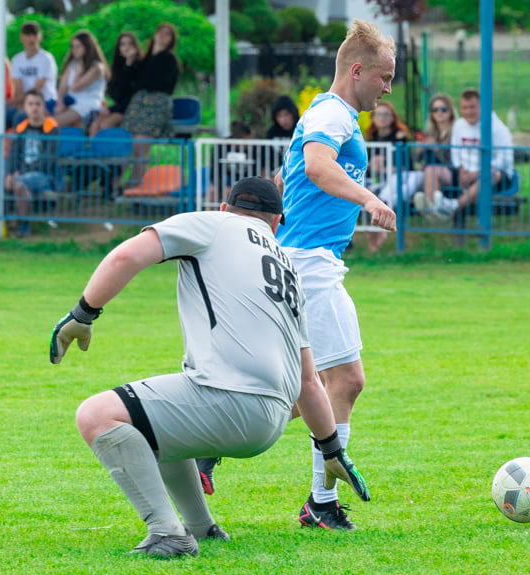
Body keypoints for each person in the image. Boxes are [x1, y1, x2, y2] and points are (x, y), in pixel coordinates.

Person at [49, 176, 370, 558]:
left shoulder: (214, 224)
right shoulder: (286, 267)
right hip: (270, 421)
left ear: (224, 208)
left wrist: (83, 314)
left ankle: (166, 533)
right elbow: (309, 381)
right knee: (161, 418)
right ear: (276, 222)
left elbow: (126, 256)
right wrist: (331, 449)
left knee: (96, 416)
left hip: (230, 399)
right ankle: (202, 528)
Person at [241, 19, 394, 530]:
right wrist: (370, 200)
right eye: (384, 77)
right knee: (344, 380)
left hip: (305, 259)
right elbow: (314, 168)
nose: (388, 87)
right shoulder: (334, 112)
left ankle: (210, 445)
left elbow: (290, 178)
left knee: (307, 388)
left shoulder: (327, 114)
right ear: (357, 70)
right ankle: (321, 503)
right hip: (310, 264)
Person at [418, 89, 514, 220]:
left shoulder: (497, 128)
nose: (468, 112)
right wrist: (461, 168)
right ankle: (433, 208)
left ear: (482, 106)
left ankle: (453, 206)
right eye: (464, 108)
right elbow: (456, 152)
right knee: (431, 170)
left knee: (491, 174)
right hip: (464, 172)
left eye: (472, 107)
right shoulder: (459, 125)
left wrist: (478, 172)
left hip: (492, 174)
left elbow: (505, 159)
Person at [122, 23, 179, 181]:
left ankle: (136, 183)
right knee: (129, 144)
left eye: (167, 34)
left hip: (155, 106)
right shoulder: (145, 60)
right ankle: (120, 182)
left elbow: (152, 83)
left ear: (171, 40)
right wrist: (130, 60)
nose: (162, 35)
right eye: (160, 31)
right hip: (138, 105)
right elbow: (130, 83)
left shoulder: (169, 60)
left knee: (141, 145)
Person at [364, 100, 418, 252]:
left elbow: (407, 165)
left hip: (397, 179)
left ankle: (380, 230)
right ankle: (371, 232)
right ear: (373, 117)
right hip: (376, 179)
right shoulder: (372, 137)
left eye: (386, 114)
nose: (382, 118)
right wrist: (372, 165)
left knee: (386, 195)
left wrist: (385, 167)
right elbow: (368, 165)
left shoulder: (400, 137)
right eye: (379, 114)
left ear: (393, 118)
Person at [5, 89, 59, 238]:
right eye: (30, 104)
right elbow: (13, 154)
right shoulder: (22, 127)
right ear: (25, 107)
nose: (34, 108)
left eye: (37, 104)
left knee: (20, 184)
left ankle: (24, 225)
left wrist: (20, 173)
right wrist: (10, 173)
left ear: (43, 107)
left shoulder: (51, 128)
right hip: (22, 173)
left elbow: (48, 158)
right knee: (6, 182)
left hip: (44, 175)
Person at [412, 93, 456, 218]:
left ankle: (433, 208)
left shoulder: (456, 131)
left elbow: (456, 159)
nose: (439, 113)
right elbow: (415, 159)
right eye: (435, 110)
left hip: (453, 172)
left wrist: (437, 149)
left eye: (444, 109)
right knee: (425, 171)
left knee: (431, 170)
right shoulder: (429, 132)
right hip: (429, 171)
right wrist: (418, 151)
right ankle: (431, 209)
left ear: (451, 111)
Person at [54, 30, 109, 130]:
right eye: (73, 46)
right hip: (71, 101)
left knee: (52, 124)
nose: (74, 50)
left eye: (78, 46)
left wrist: (79, 72)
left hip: (88, 104)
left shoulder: (97, 67)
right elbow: (62, 87)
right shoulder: (72, 64)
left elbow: (75, 87)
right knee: (42, 117)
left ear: (87, 47)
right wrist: (60, 102)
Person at [89, 32, 141, 137]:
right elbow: (117, 94)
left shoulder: (140, 67)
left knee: (105, 125)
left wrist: (130, 63)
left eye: (130, 44)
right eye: (122, 44)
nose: (126, 47)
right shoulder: (118, 68)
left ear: (135, 47)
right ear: (119, 49)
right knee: (94, 125)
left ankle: (110, 153)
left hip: (133, 109)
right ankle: (93, 152)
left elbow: (132, 95)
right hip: (119, 108)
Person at [9, 21, 58, 126]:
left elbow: (37, 89)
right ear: (21, 37)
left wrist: (23, 103)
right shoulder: (17, 59)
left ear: (40, 37)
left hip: (45, 103)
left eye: (34, 34)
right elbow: (18, 88)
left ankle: (19, 143)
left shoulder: (46, 59)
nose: (31, 39)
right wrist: (20, 102)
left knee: (20, 117)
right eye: (27, 35)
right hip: (25, 102)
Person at [264, 94, 299, 174]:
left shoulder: (301, 130)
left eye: (286, 114)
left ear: (293, 114)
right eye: (279, 116)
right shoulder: (272, 133)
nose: (284, 119)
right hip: (276, 174)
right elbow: (265, 159)